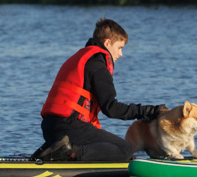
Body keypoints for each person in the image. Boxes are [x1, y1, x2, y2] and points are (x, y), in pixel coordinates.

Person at [33, 17, 167, 163]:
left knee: (113, 148)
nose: (121, 54)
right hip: (69, 127)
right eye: (120, 48)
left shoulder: (81, 56)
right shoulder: (98, 65)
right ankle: (70, 152)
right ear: (107, 43)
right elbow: (112, 109)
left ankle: (55, 150)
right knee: (125, 149)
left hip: (50, 127)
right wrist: (149, 111)